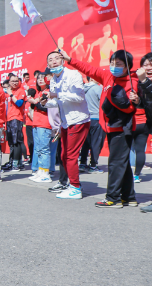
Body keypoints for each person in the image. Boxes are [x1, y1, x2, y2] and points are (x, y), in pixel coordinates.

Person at [61, 49, 137, 207]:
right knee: (121, 162)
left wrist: (132, 99)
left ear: (128, 66)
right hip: (110, 127)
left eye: (119, 64)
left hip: (122, 128)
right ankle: (128, 197)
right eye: (112, 63)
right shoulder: (108, 76)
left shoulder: (132, 82)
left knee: (115, 163)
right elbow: (89, 69)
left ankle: (113, 198)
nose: (114, 66)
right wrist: (70, 59)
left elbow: (129, 108)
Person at [41, 52, 90, 200]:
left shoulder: (73, 75)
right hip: (65, 122)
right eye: (50, 60)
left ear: (63, 60)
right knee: (63, 155)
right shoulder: (54, 80)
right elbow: (57, 102)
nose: (54, 61)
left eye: (57, 58)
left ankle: (75, 187)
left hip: (78, 120)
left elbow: (79, 97)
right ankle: (72, 184)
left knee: (70, 156)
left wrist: (57, 95)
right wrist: (45, 103)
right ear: (48, 65)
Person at [131, 53, 152, 213]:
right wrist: (138, 102)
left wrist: (144, 81)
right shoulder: (143, 84)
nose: (149, 68)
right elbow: (148, 105)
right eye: (145, 64)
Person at [28, 73, 54, 183]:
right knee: (38, 149)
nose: (40, 80)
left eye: (42, 78)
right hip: (36, 124)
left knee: (44, 149)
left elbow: (46, 108)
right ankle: (40, 170)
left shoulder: (48, 92)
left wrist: (35, 102)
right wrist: (33, 101)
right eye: (38, 78)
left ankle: (46, 173)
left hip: (44, 124)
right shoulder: (38, 93)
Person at [79, 77, 105, 174]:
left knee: (86, 142)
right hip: (96, 118)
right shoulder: (98, 89)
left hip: (85, 119)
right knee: (96, 143)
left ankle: (82, 163)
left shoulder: (82, 89)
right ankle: (93, 165)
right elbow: (104, 103)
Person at [4, 74, 26, 171]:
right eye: (13, 81)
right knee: (11, 142)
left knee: (16, 142)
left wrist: (11, 95)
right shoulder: (8, 92)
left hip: (16, 118)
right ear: (9, 82)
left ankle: (16, 164)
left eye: (16, 81)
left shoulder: (20, 91)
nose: (15, 83)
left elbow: (19, 103)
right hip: (8, 119)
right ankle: (13, 161)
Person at [130, 104, 149, 183]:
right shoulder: (145, 93)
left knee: (126, 149)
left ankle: (125, 175)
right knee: (140, 150)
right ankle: (136, 175)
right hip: (144, 123)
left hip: (130, 122)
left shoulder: (128, 92)